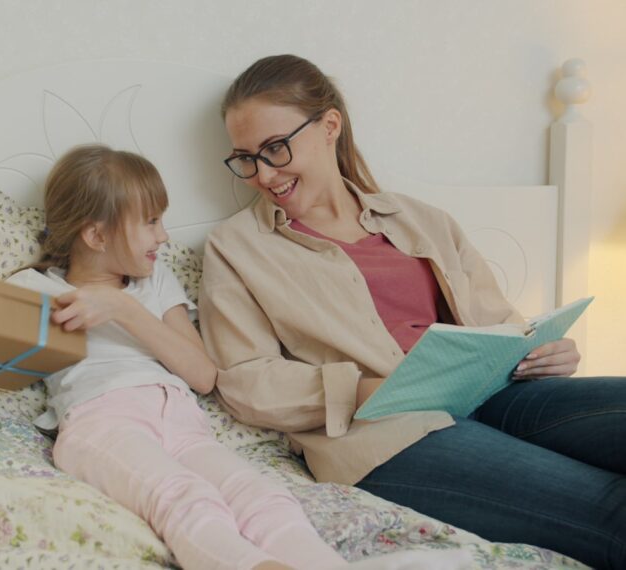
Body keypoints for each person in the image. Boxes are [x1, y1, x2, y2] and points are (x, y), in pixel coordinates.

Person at [0, 144, 468, 570]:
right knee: (185, 498)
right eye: (152, 222)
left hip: (180, 418)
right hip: (101, 421)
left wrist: (122, 310)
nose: (165, 236)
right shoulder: (38, 291)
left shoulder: (153, 286)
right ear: (96, 234)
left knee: (262, 496)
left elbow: (203, 373)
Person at [198, 53, 626, 570]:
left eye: (276, 149)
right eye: (246, 158)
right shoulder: (236, 247)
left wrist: (545, 349)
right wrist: (357, 388)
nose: (263, 174)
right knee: (611, 510)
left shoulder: (421, 219)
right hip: (389, 431)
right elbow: (245, 381)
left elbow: (501, 322)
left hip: (494, 393)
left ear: (329, 126)